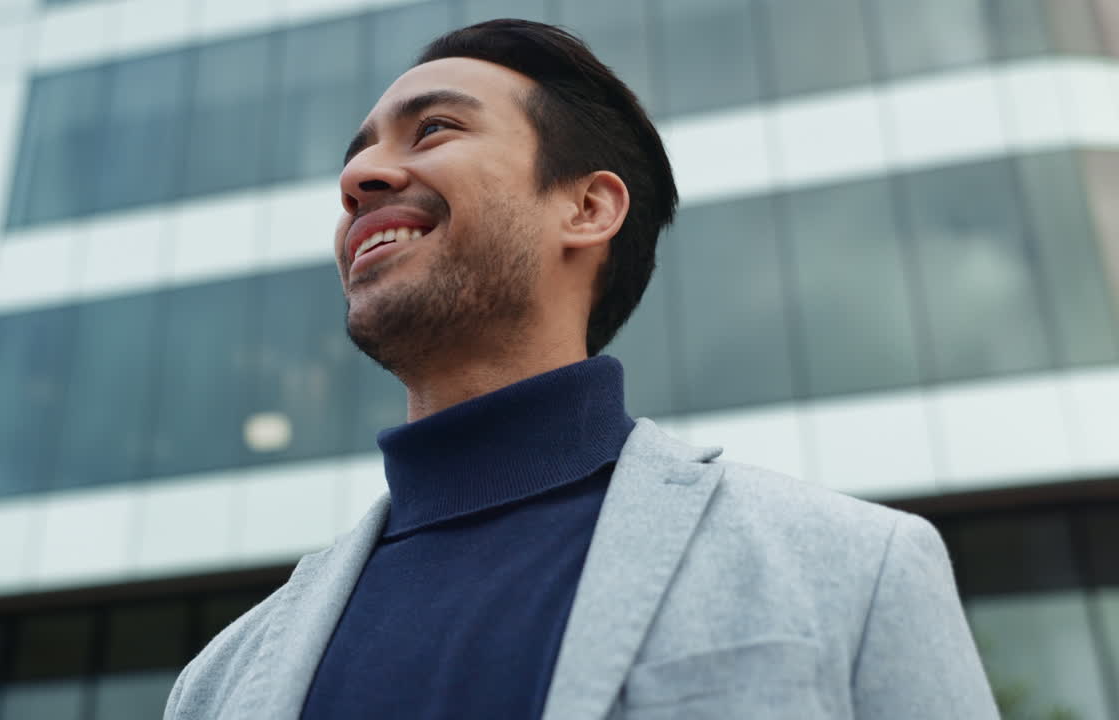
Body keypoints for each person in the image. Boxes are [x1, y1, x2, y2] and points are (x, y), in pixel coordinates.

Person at [165, 19, 998, 720]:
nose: (357, 179)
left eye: (435, 130)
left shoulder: (859, 565)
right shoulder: (216, 683)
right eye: (357, 157)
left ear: (588, 207)